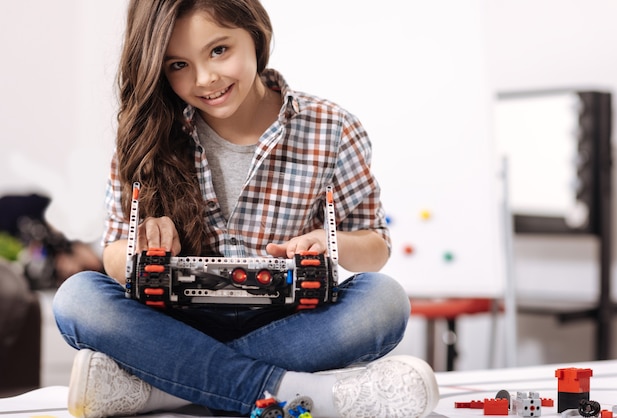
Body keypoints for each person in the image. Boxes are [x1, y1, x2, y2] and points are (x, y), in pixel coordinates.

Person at [53, 0, 440, 417]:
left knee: (384, 301)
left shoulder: (331, 126)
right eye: (178, 65)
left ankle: (165, 388)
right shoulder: (148, 134)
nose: (205, 79)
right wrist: (140, 245)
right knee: (77, 297)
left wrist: (329, 243)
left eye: (219, 50)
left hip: (290, 324)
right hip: (174, 323)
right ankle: (291, 390)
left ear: (256, 35)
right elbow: (113, 252)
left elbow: (375, 246)